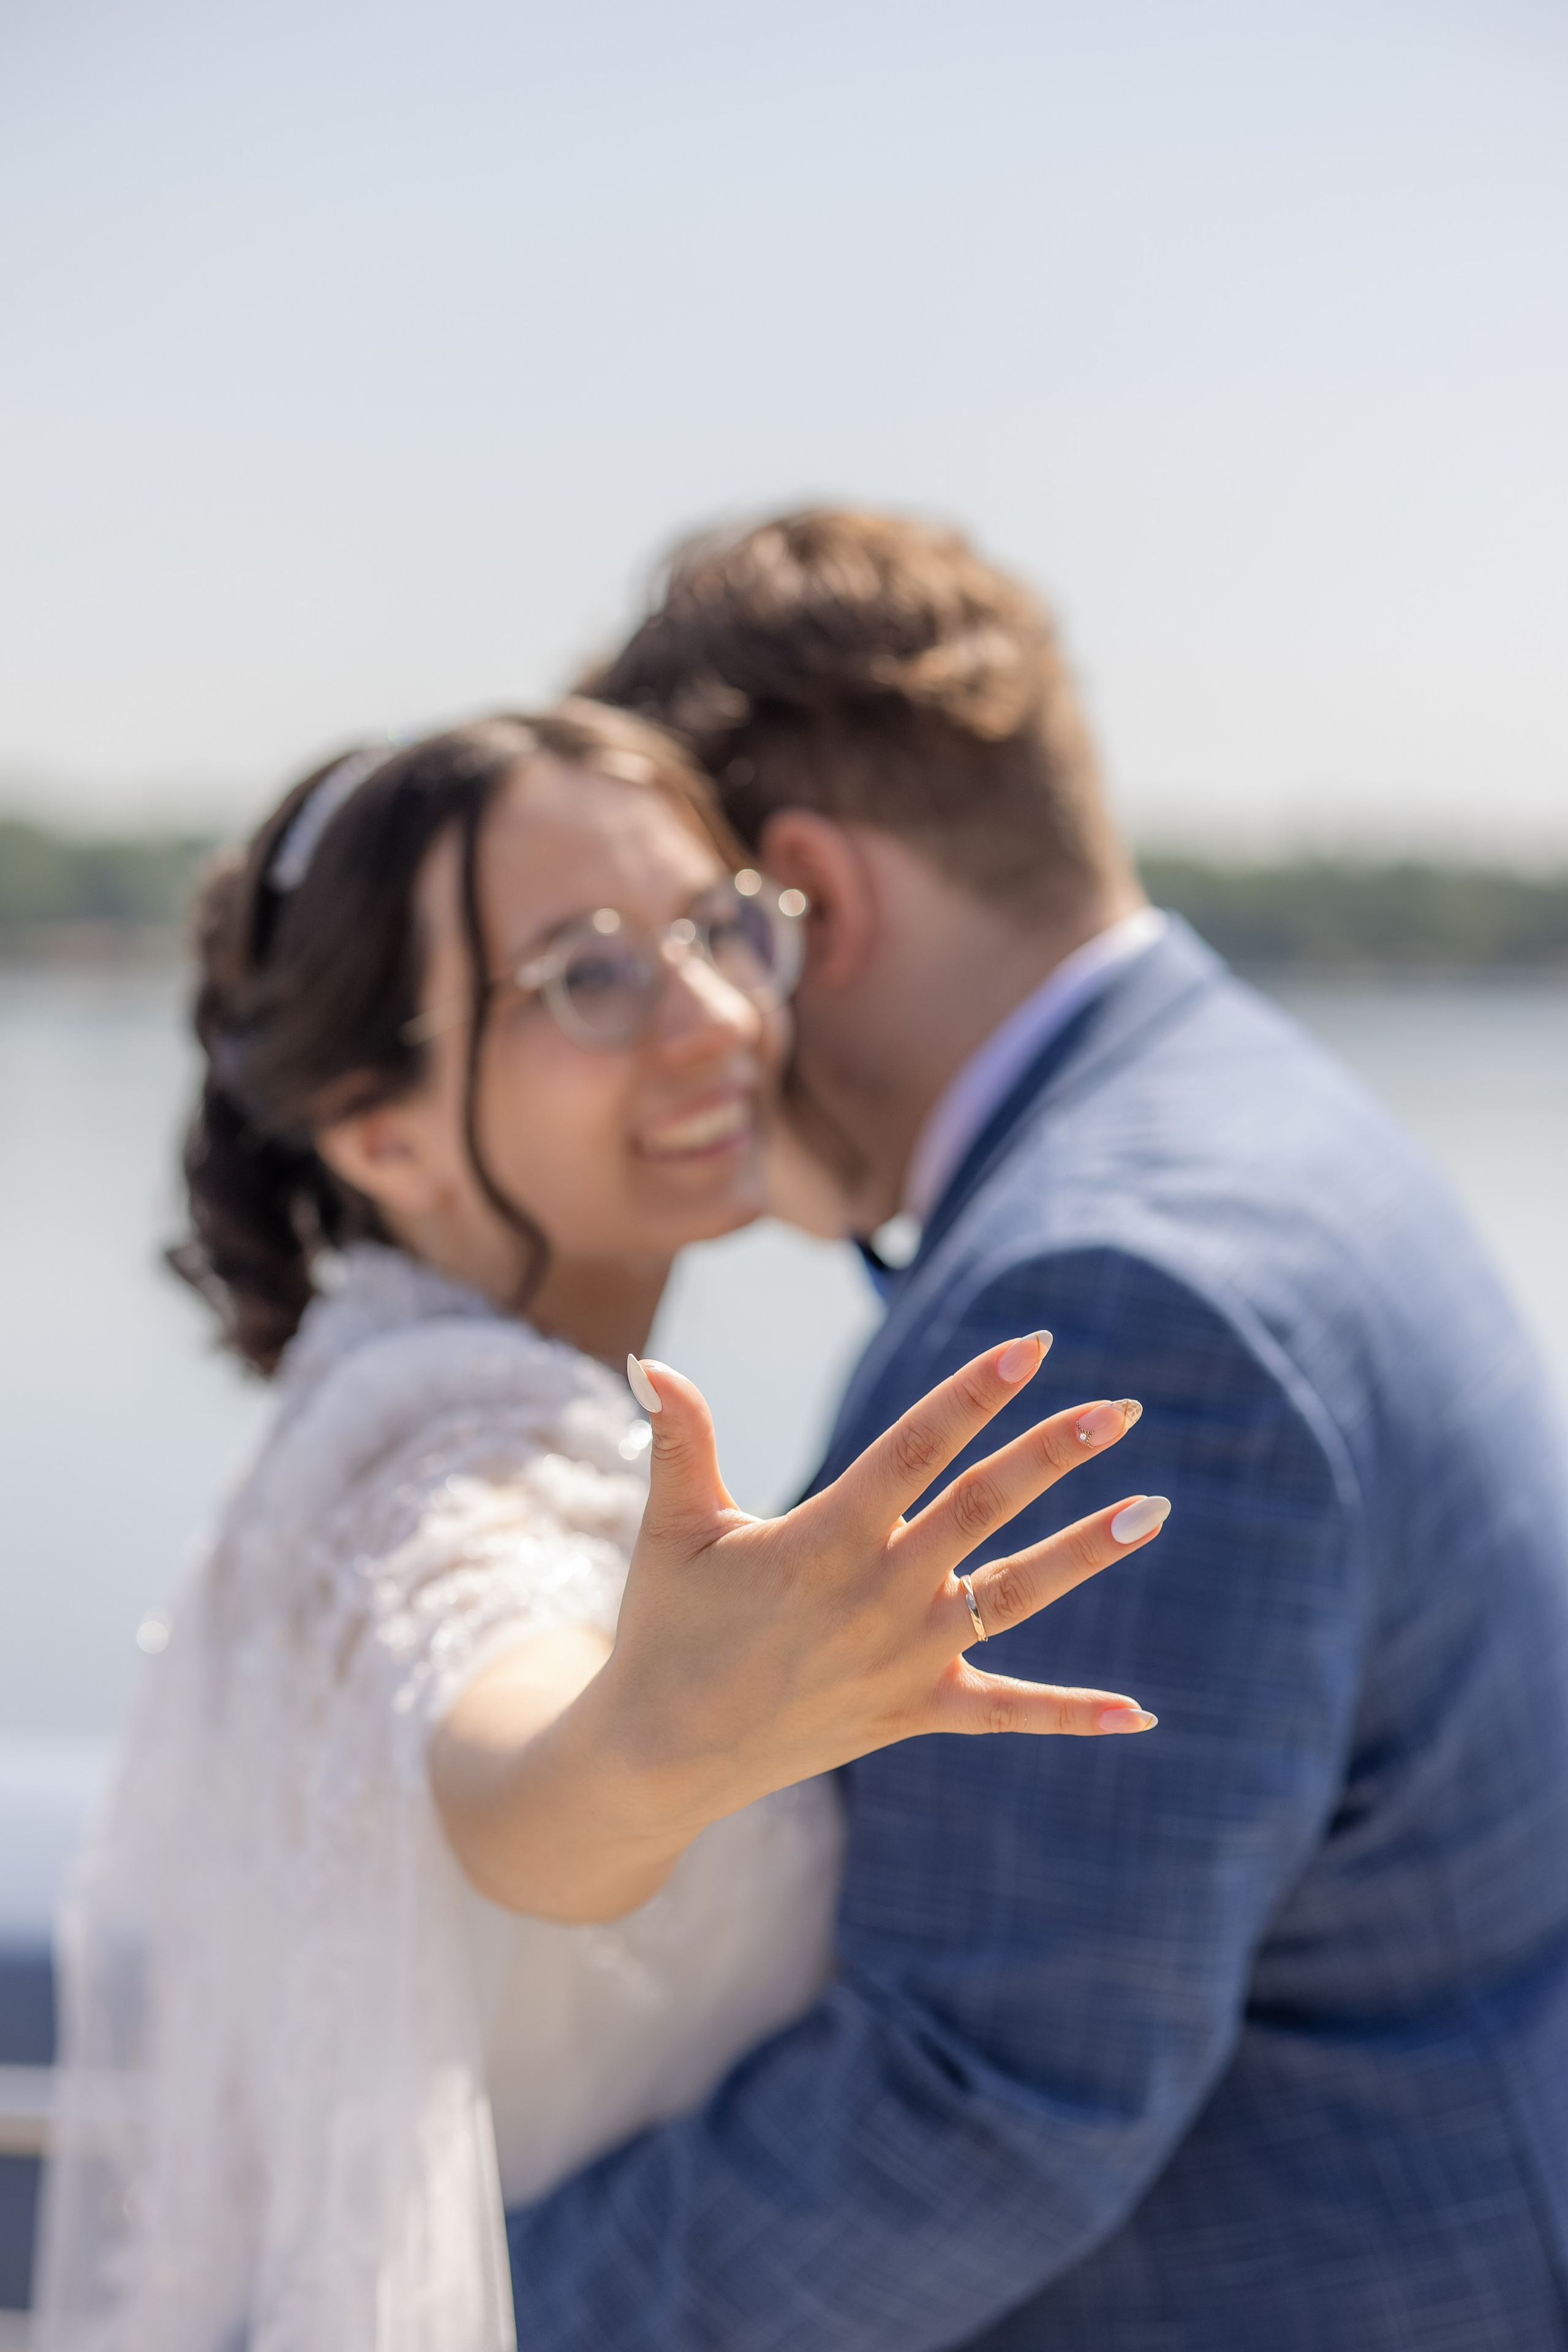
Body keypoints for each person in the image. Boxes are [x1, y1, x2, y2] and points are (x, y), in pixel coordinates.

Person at [502, 511, 1568, 2349]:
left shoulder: (1108, 1290)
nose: (690, 1043)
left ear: (807, 902)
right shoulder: (1255, 1108)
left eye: (699, 943)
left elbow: (981, 2102)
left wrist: (422, 2314)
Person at [35, 701, 1165, 2352]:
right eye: (591, 977)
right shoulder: (430, 1456)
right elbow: (505, 1755)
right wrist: (654, 1746)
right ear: (380, 1128)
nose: (715, 1017)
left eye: (724, 932)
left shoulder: (400, 1378)